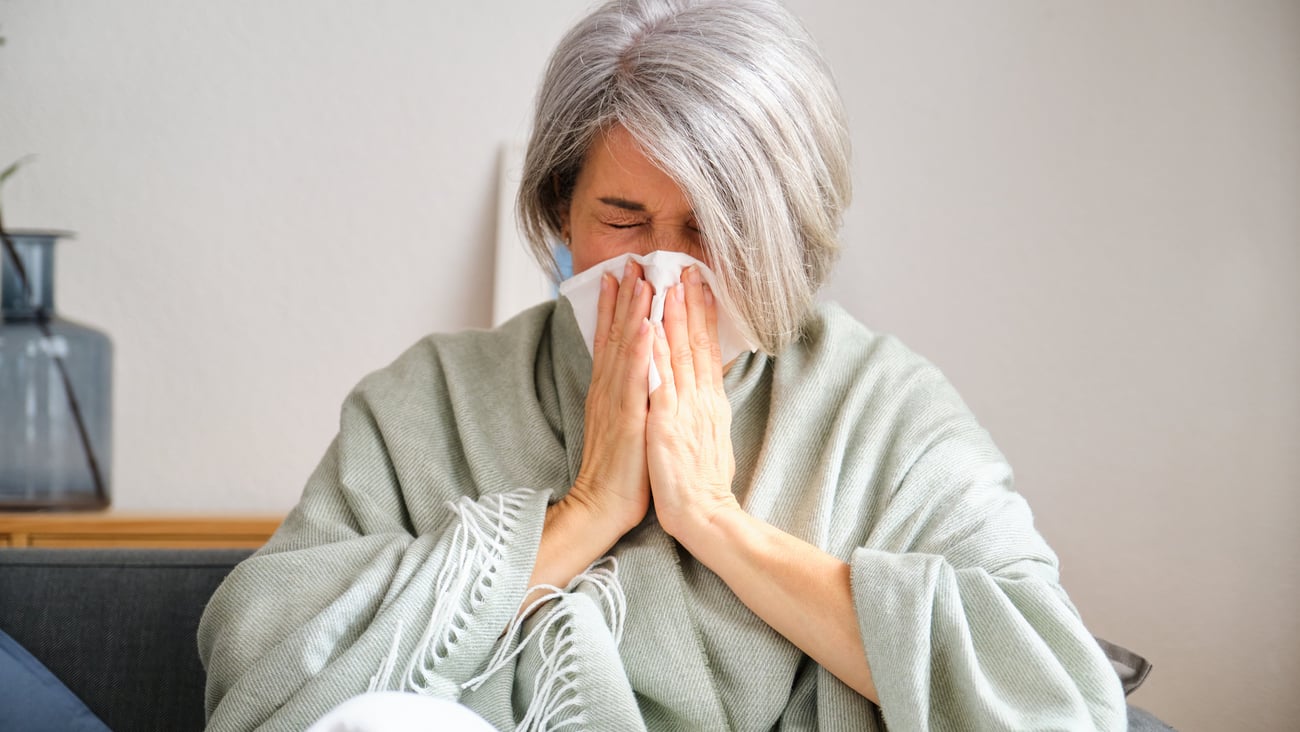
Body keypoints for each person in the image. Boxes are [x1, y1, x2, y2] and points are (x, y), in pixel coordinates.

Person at [198, 1, 1128, 730]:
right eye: (624, 219)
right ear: (560, 212)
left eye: (714, 231)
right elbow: (265, 671)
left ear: (787, 237)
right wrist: (583, 514)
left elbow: (1056, 699)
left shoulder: (881, 408)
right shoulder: (431, 398)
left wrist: (715, 522)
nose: (665, 270)